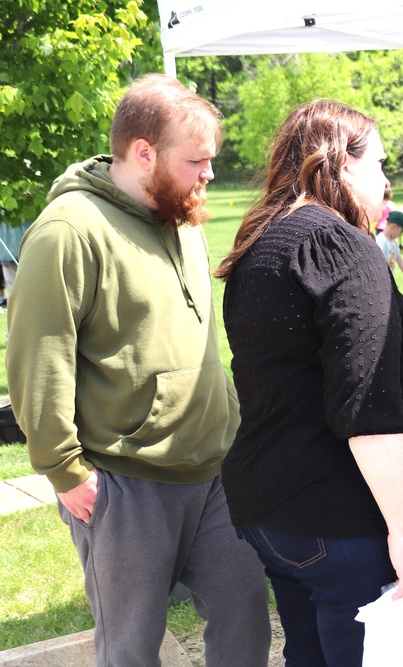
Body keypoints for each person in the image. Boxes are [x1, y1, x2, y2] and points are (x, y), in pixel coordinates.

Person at [4, 74, 271, 666]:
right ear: (143, 153)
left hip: (215, 470)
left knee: (245, 612)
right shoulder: (68, 230)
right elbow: (36, 360)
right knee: (130, 647)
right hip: (124, 484)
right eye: (196, 160)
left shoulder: (184, 214)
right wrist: (63, 469)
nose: (209, 174)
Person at [216, 99, 403, 666]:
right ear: (340, 164)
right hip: (336, 519)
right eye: (380, 165)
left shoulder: (263, 242)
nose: (387, 181)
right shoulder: (339, 244)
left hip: (274, 509)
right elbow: (367, 404)